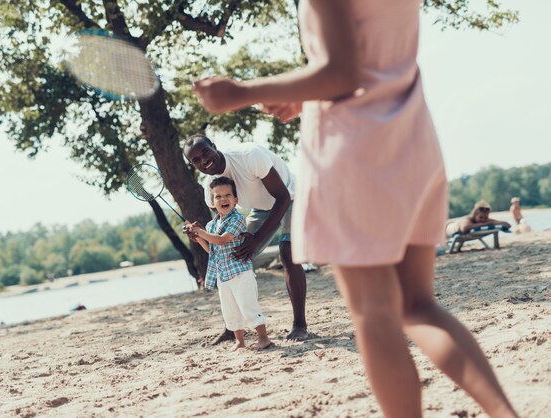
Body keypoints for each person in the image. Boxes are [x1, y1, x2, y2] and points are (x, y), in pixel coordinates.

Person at [191, 1, 518, 417]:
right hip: (414, 137)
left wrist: (242, 93)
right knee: (419, 306)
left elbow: (340, 73)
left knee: (375, 315)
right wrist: (306, 98)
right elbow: (368, 64)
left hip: (357, 150)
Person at [183, 134, 308, 342]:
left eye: (205, 152)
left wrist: (257, 238)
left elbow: (283, 197)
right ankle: (232, 328)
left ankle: (299, 325)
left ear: (214, 146)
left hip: (291, 197)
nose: (203, 160)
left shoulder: (249, 155)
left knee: (287, 252)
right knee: (232, 255)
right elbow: (222, 237)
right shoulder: (211, 187)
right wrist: (199, 235)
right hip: (261, 208)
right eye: (195, 160)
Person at [185, 176, 272, 351]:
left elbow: (222, 241)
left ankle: (263, 338)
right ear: (212, 202)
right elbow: (212, 250)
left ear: (236, 199)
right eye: (218, 196)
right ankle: (240, 341)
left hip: (240, 272)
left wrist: (201, 232)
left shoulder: (237, 219)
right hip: (223, 275)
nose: (223, 199)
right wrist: (197, 236)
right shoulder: (211, 224)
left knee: (248, 305)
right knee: (230, 311)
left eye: (228, 195)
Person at [445, 200, 512, 237]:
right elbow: (465, 228)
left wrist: (492, 222)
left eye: (485, 217)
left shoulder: (486, 221)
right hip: (448, 228)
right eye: (480, 217)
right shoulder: (467, 219)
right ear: (475, 215)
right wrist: (487, 223)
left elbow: (507, 225)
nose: (483, 220)